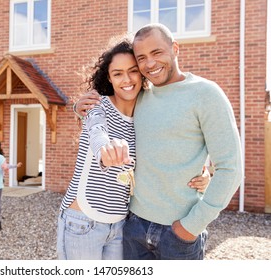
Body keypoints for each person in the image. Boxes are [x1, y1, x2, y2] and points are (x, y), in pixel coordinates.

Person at [74, 23, 243, 260]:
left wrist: (190, 227)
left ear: (175, 48)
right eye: (141, 58)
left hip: (178, 234)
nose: (150, 64)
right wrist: (79, 107)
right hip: (133, 227)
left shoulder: (206, 94)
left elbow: (231, 169)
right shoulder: (140, 95)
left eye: (157, 53)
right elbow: (107, 113)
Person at [57, 35, 210, 260]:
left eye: (132, 70)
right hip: (82, 221)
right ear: (109, 78)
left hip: (121, 224)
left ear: (142, 72)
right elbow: (98, 132)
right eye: (117, 73)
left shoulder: (146, 112)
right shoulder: (97, 106)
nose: (126, 79)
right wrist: (107, 151)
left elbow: (177, 140)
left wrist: (203, 171)